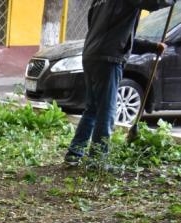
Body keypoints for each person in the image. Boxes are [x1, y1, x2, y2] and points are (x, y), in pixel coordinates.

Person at [64, 0, 174, 166]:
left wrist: (152, 47)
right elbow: (154, 3)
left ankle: (74, 153)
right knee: (106, 110)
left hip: (91, 55)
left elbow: (116, 35)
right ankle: (97, 160)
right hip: (108, 58)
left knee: (92, 108)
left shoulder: (97, 2)